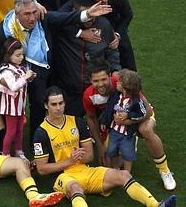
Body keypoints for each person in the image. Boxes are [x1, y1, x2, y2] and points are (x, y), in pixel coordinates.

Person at [0, 0, 113, 141]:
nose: (32, 18)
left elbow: (64, 18)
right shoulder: (5, 29)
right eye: (27, 14)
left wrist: (87, 14)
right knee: (7, 108)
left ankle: (36, 141)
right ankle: (2, 146)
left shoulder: (42, 17)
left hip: (38, 70)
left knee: (39, 103)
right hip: (12, 74)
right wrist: (2, 79)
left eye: (34, 12)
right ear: (17, 14)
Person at [33, 86, 176, 207]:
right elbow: (42, 169)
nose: (58, 108)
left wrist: (79, 158)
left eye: (61, 103)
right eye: (54, 104)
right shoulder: (41, 133)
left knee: (124, 175)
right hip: (62, 177)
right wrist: (69, 162)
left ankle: (157, 205)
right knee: (75, 187)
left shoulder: (77, 122)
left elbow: (90, 155)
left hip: (85, 171)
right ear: (46, 105)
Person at [82, 60, 176, 190]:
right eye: (95, 81)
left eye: (104, 79)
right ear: (90, 80)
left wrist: (129, 121)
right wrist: (99, 146)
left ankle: (164, 170)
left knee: (146, 130)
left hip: (139, 115)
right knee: (111, 158)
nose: (100, 84)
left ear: (110, 76)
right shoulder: (89, 95)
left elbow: (147, 111)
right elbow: (91, 119)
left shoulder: (122, 83)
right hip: (116, 123)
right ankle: (128, 145)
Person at [51, 0, 121, 116]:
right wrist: (79, 33)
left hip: (97, 88)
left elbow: (112, 49)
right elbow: (49, 20)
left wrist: (115, 69)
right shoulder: (64, 27)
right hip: (70, 89)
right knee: (72, 127)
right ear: (75, 12)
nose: (90, 19)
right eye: (86, 15)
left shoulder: (104, 25)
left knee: (103, 124)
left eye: (92, 14)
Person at [59, 0, 136, 70]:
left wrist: (117, 35)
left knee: (130, 69)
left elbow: (128, 15)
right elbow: (60, 18)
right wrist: (80, 33)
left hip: (117, 32)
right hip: (93, 38)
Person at [100, 69, 146, 172]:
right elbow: (109, 108)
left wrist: (128, 115)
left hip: (127, 134)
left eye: (119, 81)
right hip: (114, 131)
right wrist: (104, 120)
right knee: (111, 150)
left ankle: (127, 175)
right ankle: (113, 169)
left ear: (126, 87)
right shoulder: (116, 95)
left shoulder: (136, 101)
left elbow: (142, 114)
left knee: (127, 153)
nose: (117, 82)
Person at [0, 38, 35, 158]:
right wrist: (25, 77)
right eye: (17, 55)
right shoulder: (6, 71)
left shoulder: (20, 68)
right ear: (9, 55)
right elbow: (13, 87)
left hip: (20, 105)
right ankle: (5, 154)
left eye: (22, 55)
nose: (21, 58)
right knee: (11, 131)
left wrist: (29, 77)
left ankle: (19, 151)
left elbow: (22, 83)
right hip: (11, 107)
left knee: (19, 130)